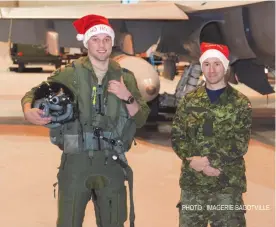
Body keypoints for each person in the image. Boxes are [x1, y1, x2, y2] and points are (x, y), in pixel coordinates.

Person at [21, 14, 150, 227]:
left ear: (112, 43)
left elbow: (142, 118)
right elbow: (34, 93)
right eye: (95, 39)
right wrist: (28, 110)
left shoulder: (125, 77)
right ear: (86, 43)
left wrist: (127, 96)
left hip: (111, 163)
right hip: (75, 163)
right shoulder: (69, 74)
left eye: (106, 39)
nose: (101, 45)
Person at [171, 42, 252, 227]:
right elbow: (177, 136)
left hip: (226, 184)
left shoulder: (240, 103)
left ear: (225, 67)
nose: (212, 70)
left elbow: (240, 143)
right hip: (193, 184)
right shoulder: (189, 100)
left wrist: (208, 163)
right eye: (207, 64)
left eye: (217, 64)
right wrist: (193, 160)